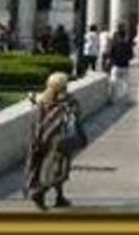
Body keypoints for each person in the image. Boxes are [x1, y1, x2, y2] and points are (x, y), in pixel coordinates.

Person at [23, 71, 80, 210]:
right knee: (57, 169)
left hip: (39, 139)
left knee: (40, 168)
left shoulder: (42, 99)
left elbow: (37, 117)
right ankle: (40, 194)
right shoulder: (69, 101)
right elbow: (76, 115)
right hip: (58, 142)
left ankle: (58, 197)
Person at [108, 25, 134, 102]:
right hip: (125, 66)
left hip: (116, 66)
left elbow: (110, 54)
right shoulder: (128, 45)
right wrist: (126, 58)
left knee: (113, 82)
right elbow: (131, 56)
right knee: (125, 83)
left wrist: (112, 61)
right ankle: (126, 99)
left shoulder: (115, 44)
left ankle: (113, 98)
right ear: (124, 36)